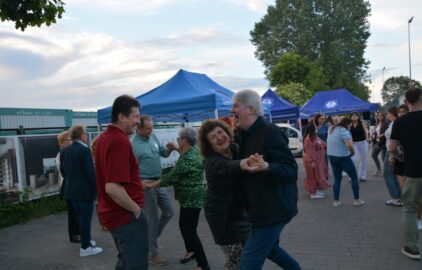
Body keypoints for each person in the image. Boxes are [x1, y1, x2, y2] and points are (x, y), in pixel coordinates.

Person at [231, 89, 302, 270]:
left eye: (236, 106)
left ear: (251, 109)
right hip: (258, 208)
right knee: (270, 249)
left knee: (248, 263)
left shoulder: (270, 132)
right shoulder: (243, 135)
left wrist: (267, 167)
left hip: (274, 209)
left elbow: (291, 170)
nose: (232, 111)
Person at [198, 119, 264, 270]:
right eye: (213, 137)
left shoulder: (235, 149)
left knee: (249, 252)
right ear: (210, 145)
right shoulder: (212, 161)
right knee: (235, 258)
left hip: (239, 212)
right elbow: (227, 167)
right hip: (221, 217)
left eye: (220, 132)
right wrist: (244, 163)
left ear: (227, 132)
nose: (219, 137)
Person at [95, 95, 149, 269]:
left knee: (125, 261)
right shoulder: (119, 141)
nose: (138, 121)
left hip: (115, 215)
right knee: (135, 264)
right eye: (135, 116)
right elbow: (112, 187)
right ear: (121, 117)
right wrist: (136, 210)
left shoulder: (103, 138)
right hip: (126, 216)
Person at [147, 127, 210, 270]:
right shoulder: (194, 150)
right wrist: (175, 148)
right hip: (192, 197)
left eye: (179, 138)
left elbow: (170, 178)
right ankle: (191, 252)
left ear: (185, 140)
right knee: (186, 227)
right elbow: (183, 153)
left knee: (190, 231)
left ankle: (203, 264)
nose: (177, 141)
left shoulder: (187, 160)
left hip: (190, 198)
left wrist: (150, 185)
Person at [130, 115, 175, 266]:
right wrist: (139, 183)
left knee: (169, 212)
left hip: (159, 182)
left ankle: (149, 240)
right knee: (153, 218)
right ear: (139, 128)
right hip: (145, 185)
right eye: (148, 128)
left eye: (152, 127)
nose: (151, 130)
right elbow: (130, 169)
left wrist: (169, 150)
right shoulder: (133, 144)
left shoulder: (153, 136)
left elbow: (163, 153)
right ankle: (152, 253)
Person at [389, 88, 422, 260]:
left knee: (409, 208)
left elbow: (392, 148)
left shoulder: (400, 122)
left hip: (414, 170)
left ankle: (412, 248)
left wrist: (398, 155)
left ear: (406, 102)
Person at [60, 125, 102, 257]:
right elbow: (90, 173)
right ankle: (85, 248)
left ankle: (86, 241)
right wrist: (96, 189)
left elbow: (63, 171)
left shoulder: (64, 150)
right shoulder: (84, 150)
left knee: (80, 218)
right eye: (85, 133)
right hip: (84, 191)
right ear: (80, 135)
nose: (86, 135)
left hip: (70, 190)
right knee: (85, 219)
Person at [327, 117, 365, 207]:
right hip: (343, 157)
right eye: (350, 126)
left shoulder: (331, 129)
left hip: (332, 156)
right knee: (354, 177)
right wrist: (353, 153)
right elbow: (349, 145)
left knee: (337, 179)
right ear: (347, 124)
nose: (350, 128)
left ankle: (336, 201)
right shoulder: (344, 131)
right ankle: (357, 200)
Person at [56, 131, 80, 243]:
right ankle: (73, 235)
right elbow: (65, 173)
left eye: (70, 139)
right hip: (68, 187)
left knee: (76, 212)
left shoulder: (67, 152)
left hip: (72, 186)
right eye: (66, 140)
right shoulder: (62, 154)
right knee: (72, 213)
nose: (69, 142)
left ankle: (78, 233)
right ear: (61, 143)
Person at [303, 124, 330, 199]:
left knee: (317, 175)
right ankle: (313, 193)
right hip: (311, 161)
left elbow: (324, 144)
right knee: (312, 176)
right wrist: (312, 161)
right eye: (315, 128)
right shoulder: (308, 139)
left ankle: (315, 191)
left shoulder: (315, 137)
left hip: (317, 160)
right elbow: (309, 151)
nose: (317, 129)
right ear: (312, 129)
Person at [383, 106, 402, 206]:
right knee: (394, 174)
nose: (387, 115)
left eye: (388, 113)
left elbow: (395, 140)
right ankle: (399, 196)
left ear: (392, 114)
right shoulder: (394, 123)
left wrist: (392, 154)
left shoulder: (395, 124)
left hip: (391, 151)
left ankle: (395, 197)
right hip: (391, 150)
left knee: (387, 174)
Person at [350, 112, 369, 182]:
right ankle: (352, 176)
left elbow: (365, 131)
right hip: (354, 143)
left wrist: (367, 139)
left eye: (355, 115)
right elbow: (347, 132)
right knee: (353, 159)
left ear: (358, 117)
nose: (354, 117)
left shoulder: (362, 123)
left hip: (363, 142)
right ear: (351, 117)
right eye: (353, 116)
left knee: (364, 159)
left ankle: (362, 175)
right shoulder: (350, 124)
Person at [371, 111, 388, 176]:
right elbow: (376, 132)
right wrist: (373, 136)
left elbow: (389, 131)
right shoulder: (377, 123)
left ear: (383, 116)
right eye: (378, 115)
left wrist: (382, 135)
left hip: (384, 142)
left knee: (384, 158)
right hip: (377, 142)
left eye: (381, 115)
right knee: (373, 155)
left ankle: (386, 172)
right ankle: (379, 169)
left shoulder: (386, 123)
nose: (380, 116)